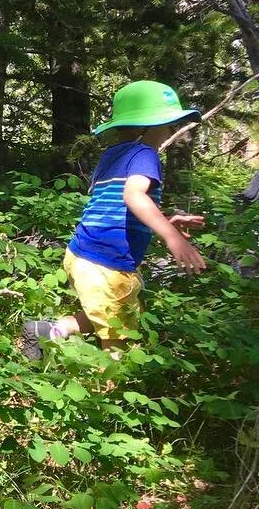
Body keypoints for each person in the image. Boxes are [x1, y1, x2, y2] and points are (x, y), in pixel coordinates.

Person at [22, 80, 207, 357]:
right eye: (168, 125)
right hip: (105, 264)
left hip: (82, 256)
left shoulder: (112, 156)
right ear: (146, 127)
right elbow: (133, 196)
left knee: (111, 313)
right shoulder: (145, 154)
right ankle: (107, 383)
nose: (171, 131)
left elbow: (114, 208)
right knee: (120, 341)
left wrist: (166, 222)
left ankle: (49, 330)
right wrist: (172, 237)